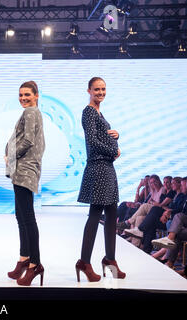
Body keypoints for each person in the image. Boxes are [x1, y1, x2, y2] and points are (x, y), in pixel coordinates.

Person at [76, 77, 126, 282]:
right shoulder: (88, 111)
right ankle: (84, 262)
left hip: (107, 167)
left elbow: (103, 136)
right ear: (89, 90)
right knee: (95, 215)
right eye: (97, 89)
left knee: (112, 215)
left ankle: (110, 260)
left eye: (103, 89)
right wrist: (114, 149)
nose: (100, 92)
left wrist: (116, 135)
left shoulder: (99, 112)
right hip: (98, 167)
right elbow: (92, 141)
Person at [5, 81, 45, 286]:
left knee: (27, 217)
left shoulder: (31, 112)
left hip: (24, 169)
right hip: (23, 169)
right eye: (20, 95)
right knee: (21, 215)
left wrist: (11, 156)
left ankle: (35, 264)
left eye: (27, 94)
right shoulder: (32, 112)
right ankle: (24, 258)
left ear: (36, 95)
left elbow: (28, 141)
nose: (23, 98)